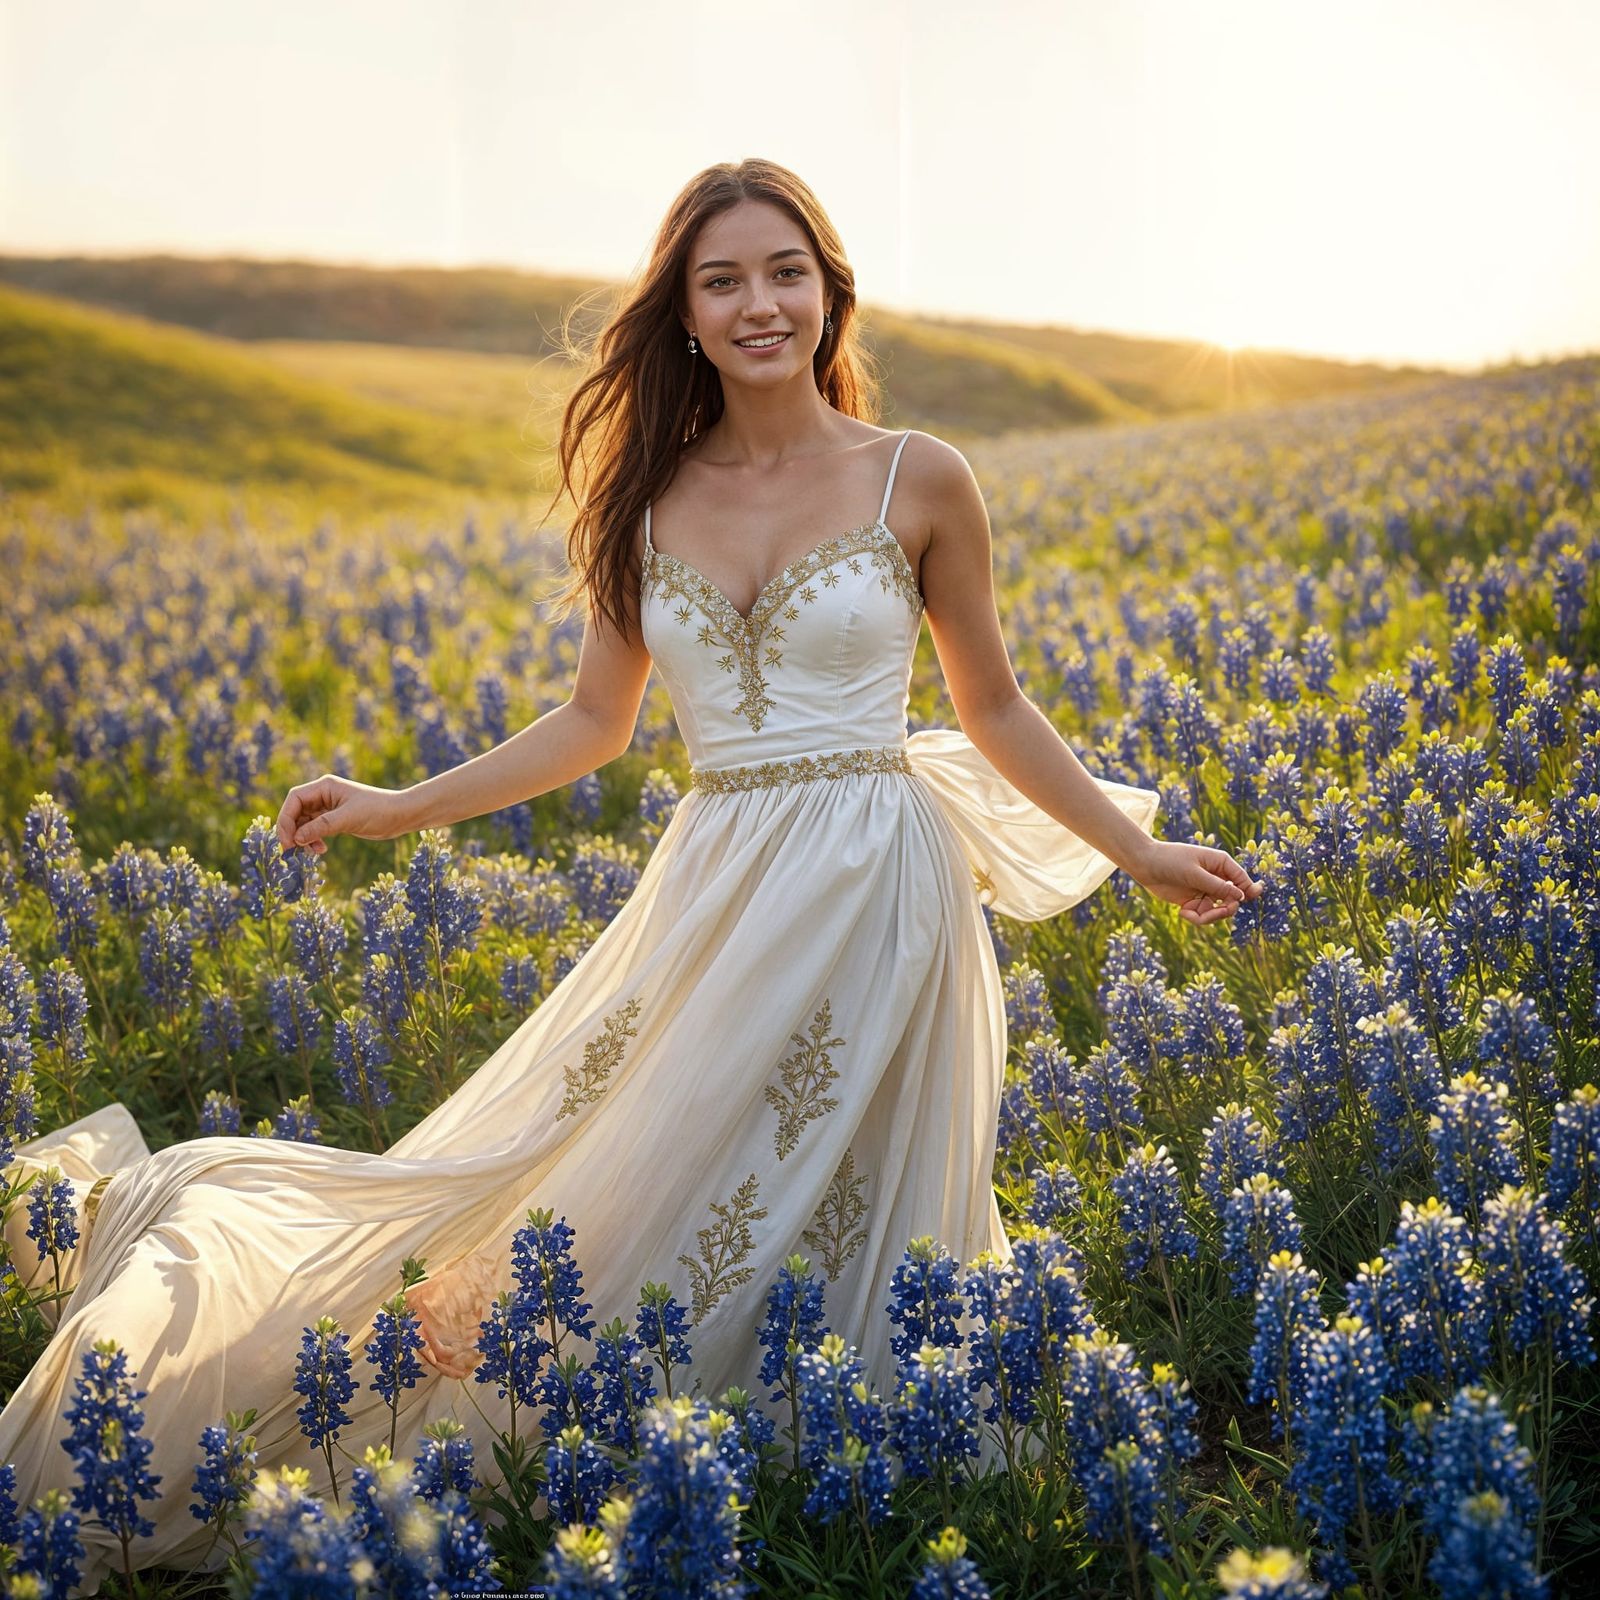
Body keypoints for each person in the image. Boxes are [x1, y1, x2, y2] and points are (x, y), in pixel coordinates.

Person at [0, 157, 1259, 1592]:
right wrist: (398, 804)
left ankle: (827, 1457)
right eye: (722, 279)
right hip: (719, 883)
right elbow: (592, 725)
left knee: (841, 1186)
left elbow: (993, 708)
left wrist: (1135, 847)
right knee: (623, 1159)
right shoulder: (645, 498)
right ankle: (634, 1444)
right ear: (685, 314)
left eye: (785, 270)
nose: (759, 301)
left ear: (827, 288)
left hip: (882, 877)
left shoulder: (920, 474)